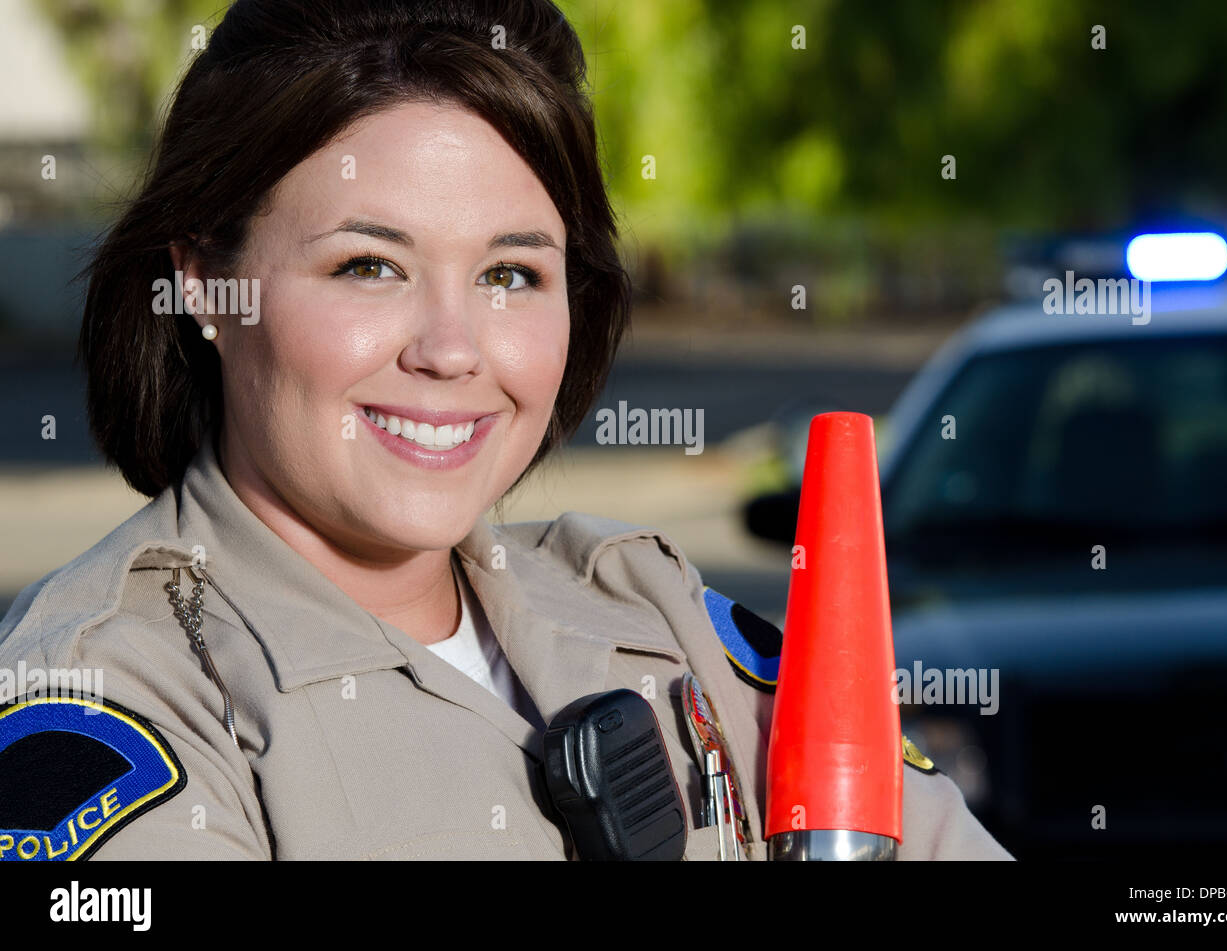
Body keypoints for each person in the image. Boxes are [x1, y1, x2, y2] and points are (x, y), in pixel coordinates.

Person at [0, 0, 1010, 861]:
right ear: (205, 285)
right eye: (369, 266)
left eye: (510, 274)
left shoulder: (650, 611)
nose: (451, 350)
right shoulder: (106, 702)